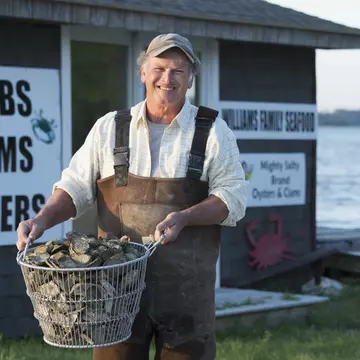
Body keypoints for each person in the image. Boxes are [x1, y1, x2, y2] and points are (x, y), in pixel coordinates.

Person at [17, 33, 248, 360]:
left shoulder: (212, 131)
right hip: (112, 297)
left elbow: (234, 198)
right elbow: (74, 187)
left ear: (191, 78)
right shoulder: (109, 128)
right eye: (159, 68)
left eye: (178, 70)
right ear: (142, 73)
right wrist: (40, 220)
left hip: (187, 296)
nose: (167, 78)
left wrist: (185, 217)